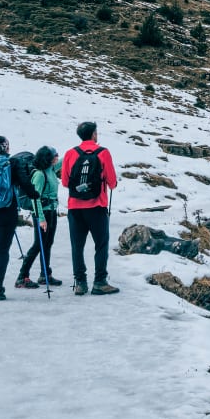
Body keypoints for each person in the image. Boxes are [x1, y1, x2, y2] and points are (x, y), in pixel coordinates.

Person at [0, 135, 39, 301]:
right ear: (5, 148)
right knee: (1, 250)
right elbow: (25, 184)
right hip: (5, 212)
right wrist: (34, 194)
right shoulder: (11, 163)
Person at [61, 121, 119, 296]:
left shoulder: (70, 153)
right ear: (94, 134)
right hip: (97, 206)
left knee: (77, 246)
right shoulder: (103, 153)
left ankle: (80, 283)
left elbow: (65, 182)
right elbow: (112, 183)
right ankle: (100, 282)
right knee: (101, 244)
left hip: (75, 207)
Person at [15, 146, 63, 289]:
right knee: (38, 244)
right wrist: (41, 218)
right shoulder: (40, 175)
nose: (57, 157)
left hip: (51, 211)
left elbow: (63, 161)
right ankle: (22, 277)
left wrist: (81, 149)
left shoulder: (51, 169)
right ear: (48, 158)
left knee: (47, 243)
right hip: (42, 213)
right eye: (55, 155)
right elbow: (35, 199)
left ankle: (45, 274)